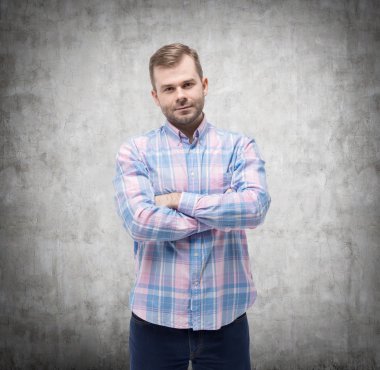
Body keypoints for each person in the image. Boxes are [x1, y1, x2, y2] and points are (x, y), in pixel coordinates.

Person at [113, 43, 271, 370]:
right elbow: (140, 220)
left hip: (225, 319)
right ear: (156, 96)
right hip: (155, 319)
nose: (180, 95)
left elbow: (254, 208)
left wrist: (177, 201)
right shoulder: (135, 152)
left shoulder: (238, 147)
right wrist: (218, 214)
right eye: (168, 88)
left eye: (187, 84)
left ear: (204, 85)